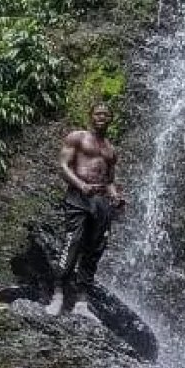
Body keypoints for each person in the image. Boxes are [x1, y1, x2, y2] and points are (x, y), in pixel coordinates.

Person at [47, 102, 124, 317]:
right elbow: (63, 165)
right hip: (78, 196)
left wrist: (115, 196)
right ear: (91, 116)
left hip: (100, 202)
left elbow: (109, 180)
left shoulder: (111, 150)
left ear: (110, 119)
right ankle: (58, 295)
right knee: (73, 241)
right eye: (98, 114)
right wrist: (80, 185)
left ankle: (82, 302)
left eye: (106, 114)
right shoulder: (77, 137)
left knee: (94, 250)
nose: (102, 117)